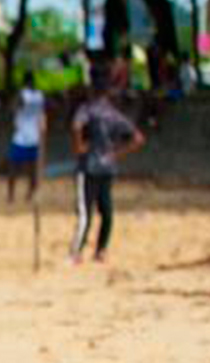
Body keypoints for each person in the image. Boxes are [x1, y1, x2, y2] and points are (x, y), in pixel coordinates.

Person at [70, 74, 146, 264]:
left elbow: (76, 125)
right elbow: (137, 138)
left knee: (84, 212)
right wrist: (117, 154)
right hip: (108, 167)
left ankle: (76, 252)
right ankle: (101, 251)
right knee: (107, 211)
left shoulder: (87, 110)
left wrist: (79, 146)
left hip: (88, 166)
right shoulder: (113, 114)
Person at [6, 72, 46, 203]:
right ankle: (30, 193)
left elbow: (12, 108)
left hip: (21, 136)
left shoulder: (22, 94)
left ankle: (11, 195)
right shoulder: (40, 95)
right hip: (35, 135)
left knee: (13, 167)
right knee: (32, 168)